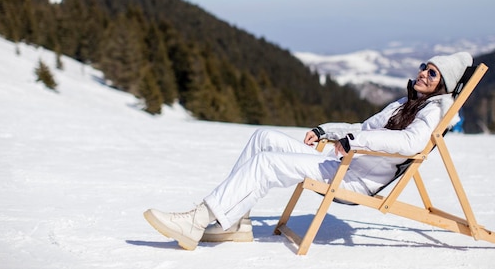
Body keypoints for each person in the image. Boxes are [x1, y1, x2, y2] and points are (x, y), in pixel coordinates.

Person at [144, 51, 473, 250]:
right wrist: (326, 131)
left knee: (267, 163)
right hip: (342, 162)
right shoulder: (403, 104)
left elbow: (410, 143)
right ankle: (235, 223)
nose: (423, 74)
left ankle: (199, 219)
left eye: (433, 73)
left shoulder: (432, 110)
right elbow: (362, 128)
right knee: (263, 138)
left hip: (351, 179)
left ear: (443, 85)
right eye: (424, 66)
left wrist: (355, 144)